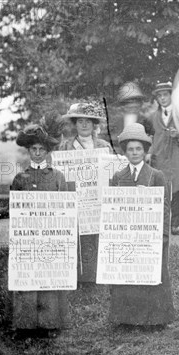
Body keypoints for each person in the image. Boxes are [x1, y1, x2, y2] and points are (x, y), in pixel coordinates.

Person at [108, 123, 175, 327]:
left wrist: (163, 237)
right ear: (125, 152)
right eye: (130, 149)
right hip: (126, 237)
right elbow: (112, 210)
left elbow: (165, 208)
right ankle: (126, 319)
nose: (135, 153)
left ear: (145, 151)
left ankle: (155, 319)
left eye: (139, 149)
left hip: (151, 238)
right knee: (127, 276)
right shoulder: (118, 178)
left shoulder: (156, 176)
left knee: (153, 276)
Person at [10, 124, 69, 338]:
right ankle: (24, 325)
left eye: (41, 150)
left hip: (51, 236)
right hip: (27, 238)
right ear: (28, 151)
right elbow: (14, 211)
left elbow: (66, 210)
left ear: (47, 152)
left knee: (49, 277)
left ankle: (50, 323)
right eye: (33, 149)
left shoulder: (57, 177)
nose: (36, 153)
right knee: (26, 277)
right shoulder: (20, 179)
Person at [57, 102, 113, 283]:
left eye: (88, 121)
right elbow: (60, 174)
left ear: (94, 124)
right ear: (75, 123)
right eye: (80, 121)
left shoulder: (104, 146)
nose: (84, 125)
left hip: (98, 200)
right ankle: (78, 277)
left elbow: (111, 174)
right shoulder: (65, 147)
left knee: (96, 238)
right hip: (76, 199)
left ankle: (96, 275)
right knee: (78, 238)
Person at [147, 81, 179, 236]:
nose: (162, 98)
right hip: (160, 157)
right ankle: (162, 223)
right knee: (160, 190)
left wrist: (178, 135)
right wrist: (150, 152)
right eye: (159, 96)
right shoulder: (153, 117)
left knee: (177, 190)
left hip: (176, 156)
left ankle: (174, 224)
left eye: (165, 95)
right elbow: (151, 137)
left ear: (170, 96)